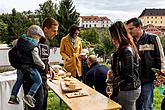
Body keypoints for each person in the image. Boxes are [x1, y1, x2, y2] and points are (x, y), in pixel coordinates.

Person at [126, 17, 165, 110]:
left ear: (139, 27)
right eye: (128, 29)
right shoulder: (130, 42)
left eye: (131, 29)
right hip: (135, 81)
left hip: (148, 79)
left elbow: (160, 58)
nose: (129, 31)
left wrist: (159, 76)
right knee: (138, 105)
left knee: (148, 105)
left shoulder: (153, 38)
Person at [23, 17, 59, 110]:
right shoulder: (33, 41)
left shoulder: (46, 42)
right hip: (33, 82)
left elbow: (44, 59)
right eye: (54, 31)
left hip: (43, 80)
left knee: (43, 107)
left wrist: (49, 67)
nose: (56, 34)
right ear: (45, 29)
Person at [8, 25, 45, 108]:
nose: (39, 40)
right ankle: (29, 96)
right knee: (38, 81)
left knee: (19, 81)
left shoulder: (19, 42)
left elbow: (13, 48)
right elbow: (36, 59)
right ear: (36, 35)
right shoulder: (33, 46)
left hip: (20, 67)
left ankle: (13, 96)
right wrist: (42, 65)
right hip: (30, 67)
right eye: (39, 38)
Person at [109, 21, 141, 110]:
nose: (112, 39)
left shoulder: (126, 50)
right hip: (129, 88)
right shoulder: (127, 47)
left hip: (128, 89)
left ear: (118, 35)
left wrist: (112, 81)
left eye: (112, 36)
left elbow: (128, 75)